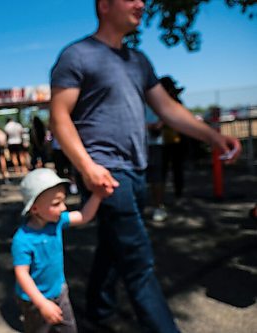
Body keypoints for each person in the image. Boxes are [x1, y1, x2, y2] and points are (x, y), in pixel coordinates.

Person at [49, 0, 241, 332]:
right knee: (140, 265)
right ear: (105, 5)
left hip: (138, 170)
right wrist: (87, 166)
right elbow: (59, 117)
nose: (141, 3)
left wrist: (212, 136)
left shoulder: (138, 60)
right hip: (107, 174)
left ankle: (97, 309)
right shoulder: (77, 55)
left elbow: (167, 108)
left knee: (113, 248)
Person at [12, 168, 102, 333]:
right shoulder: (22, 240)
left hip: (59, 291)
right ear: (35, 209)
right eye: (56, 203)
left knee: (69, 328)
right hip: (34, 301)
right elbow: (22, 274)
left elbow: (84, 216)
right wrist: (42, 303)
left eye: (63, 201)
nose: (63, 207)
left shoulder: (57, 221)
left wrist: (98, 195)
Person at [160, 76, 187, 201]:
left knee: (174, 168)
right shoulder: (162, 102)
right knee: (165, 169)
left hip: (175, 140)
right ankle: (164, 195)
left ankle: (176, 193)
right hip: (164, 141)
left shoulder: (172, 101)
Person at [145, 105, 167, 222]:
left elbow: (168, 114)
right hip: (138, 142)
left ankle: (158, 206)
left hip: (154, 143)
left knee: (156, 177)